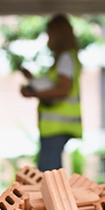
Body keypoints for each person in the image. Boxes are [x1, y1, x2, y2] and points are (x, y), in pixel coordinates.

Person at [20, 14, 83, 171]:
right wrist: (33, 80)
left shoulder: (65, 58)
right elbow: (56, 85)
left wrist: (33, 93)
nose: (48, 40)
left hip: (57, 126)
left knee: (48, 173)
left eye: (50, 35)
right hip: (56, 127)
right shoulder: (66, 58)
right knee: (50, 172)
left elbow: (62, 90)